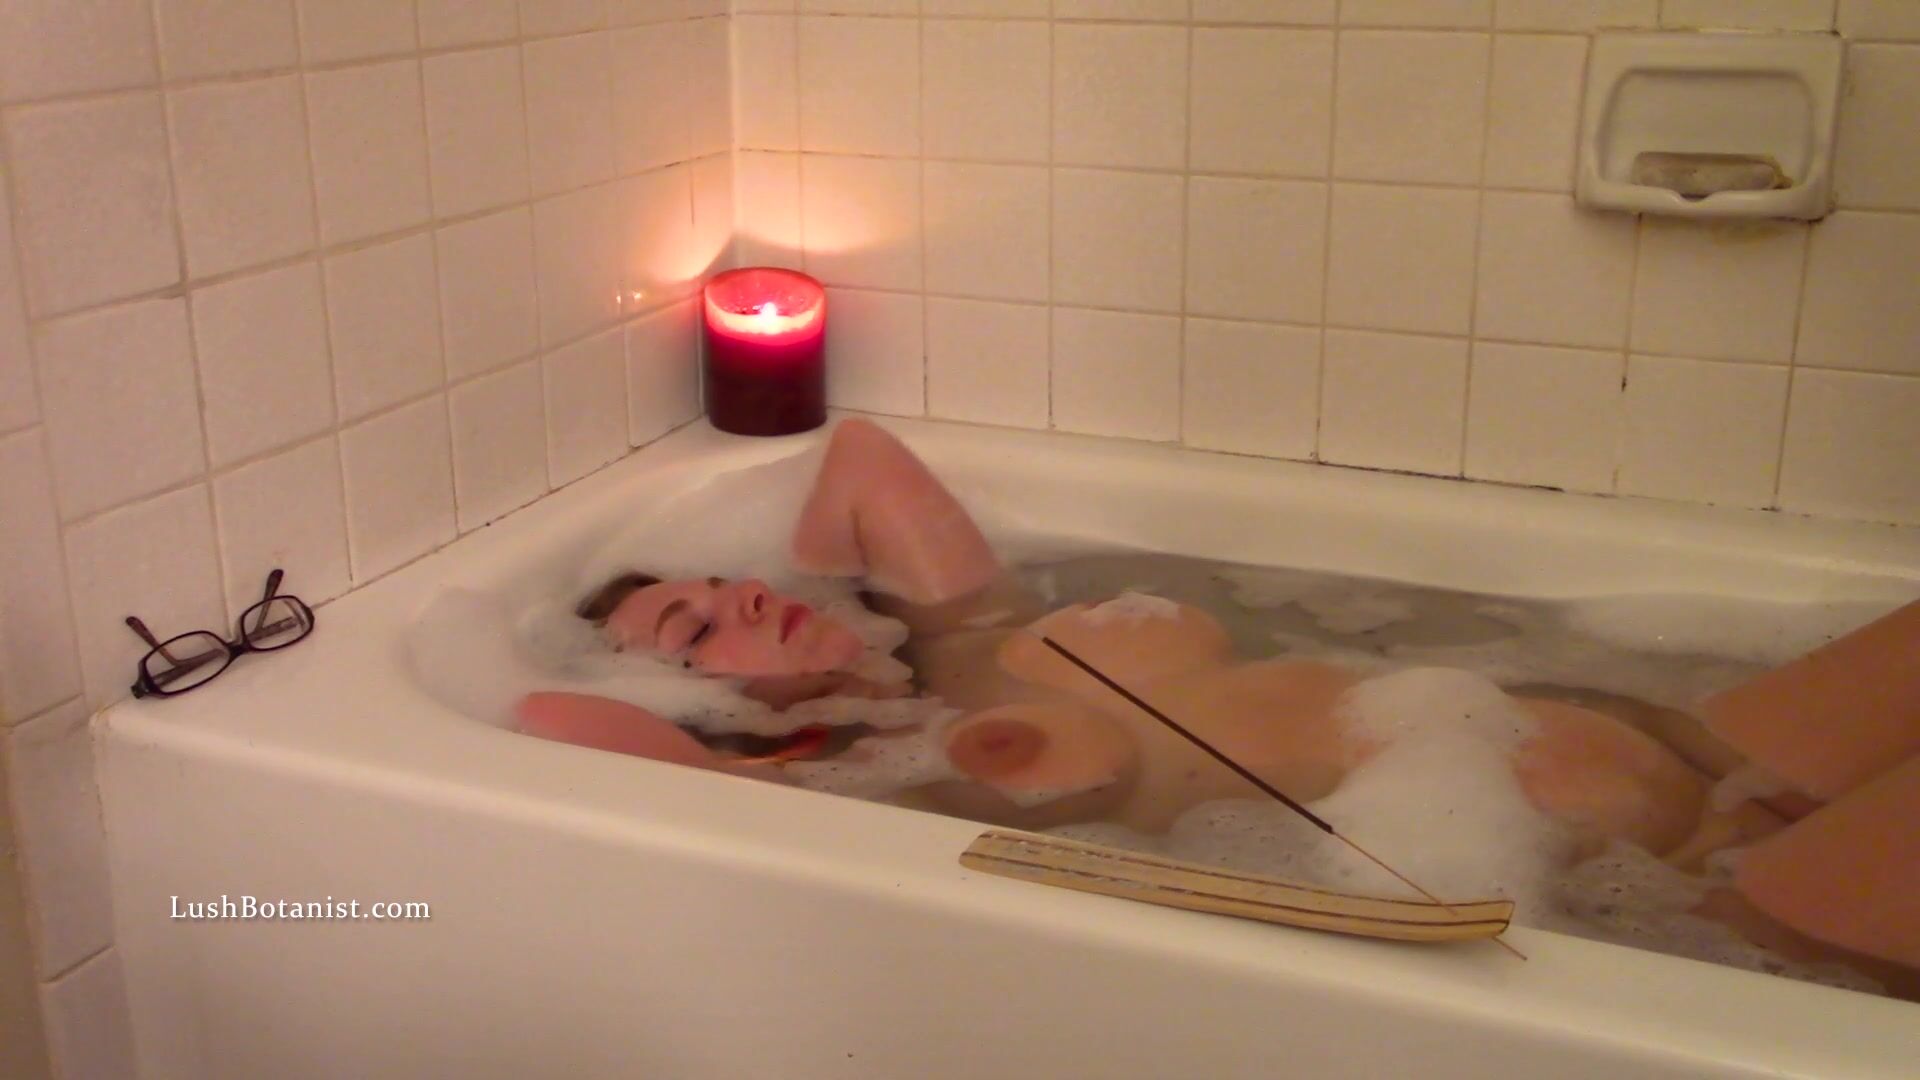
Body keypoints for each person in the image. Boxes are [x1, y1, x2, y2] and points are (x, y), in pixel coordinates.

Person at [517, 418, 1920, 981]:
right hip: (1697, 904)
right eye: (697, 630)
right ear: (698, 712)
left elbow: (865, 461)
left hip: (1690, 736)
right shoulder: (863, 800)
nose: (741, 601)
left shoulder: (969, 644)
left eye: (729, 582)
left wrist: (792, 594)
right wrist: (738, 724)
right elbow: (550, 730)